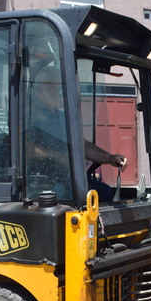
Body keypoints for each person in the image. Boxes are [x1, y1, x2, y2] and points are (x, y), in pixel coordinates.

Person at [28, 66, 126, 201]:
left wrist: (109, 158)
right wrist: (60, 157)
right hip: (41, 181)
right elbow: (29, 151)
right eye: (57, 88)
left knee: (103, 192)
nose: (60, 93)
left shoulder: (62, 117)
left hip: (66, 178)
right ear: (41, 90)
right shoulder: (30, 117)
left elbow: (81, 144)